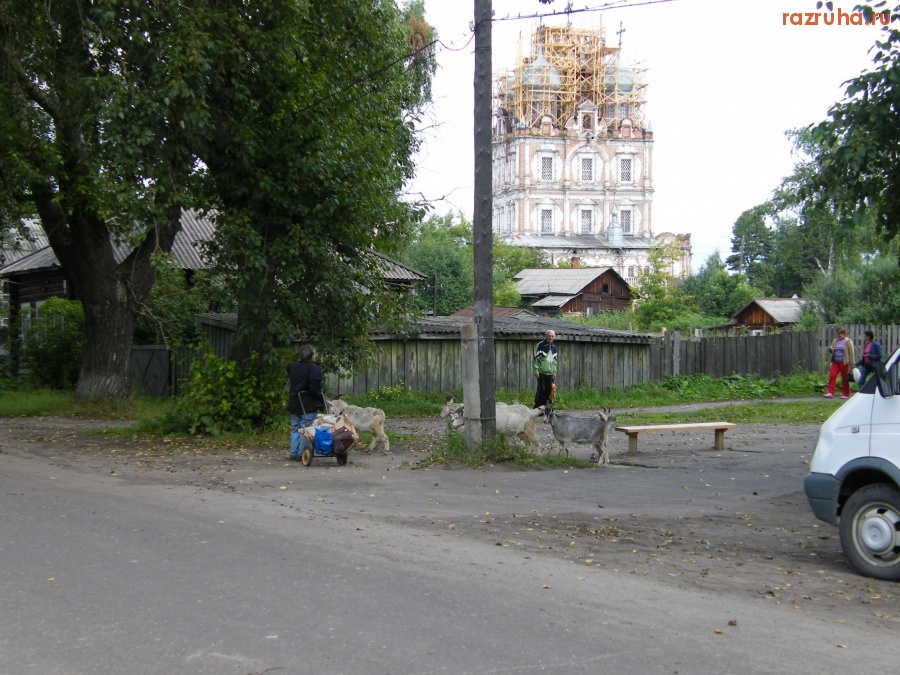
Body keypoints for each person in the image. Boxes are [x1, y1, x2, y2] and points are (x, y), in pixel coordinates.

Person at [287, 345, 326, 460]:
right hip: (307, 403)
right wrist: (318, 396)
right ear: (311, 356)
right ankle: (303, 453)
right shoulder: (313, 368)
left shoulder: (292, 367)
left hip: (294, 401)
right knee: (306, 428)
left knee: (295, 428)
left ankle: (294, 453)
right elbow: (315, 384)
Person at [825, 327, 855, 399]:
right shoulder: (835, 341)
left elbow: (851, 353)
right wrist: (831, 349)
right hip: (835, 361)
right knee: (832, 375)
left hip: (844, 362)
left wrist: (852, 364)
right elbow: (832, 351)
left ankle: (846, 394)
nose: (838, 335)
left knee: (845, 378)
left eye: (840, 334)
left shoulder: (848, 341)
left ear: (843, 334)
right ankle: (830, 392)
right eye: (837, 334)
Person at [533, 329, 558, 409]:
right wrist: (536, 370)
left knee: (549, 391)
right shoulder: (540, 345)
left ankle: (544, 408)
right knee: (542, 390)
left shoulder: (554, 347)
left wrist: (554, 371)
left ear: (554, 337)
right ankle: (537, 408)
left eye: (552, 336)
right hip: (541, 372)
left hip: (550, 373)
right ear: (546, 336)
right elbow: (535, 359)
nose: (550, 337)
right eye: (549, 336)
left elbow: (555, 361)